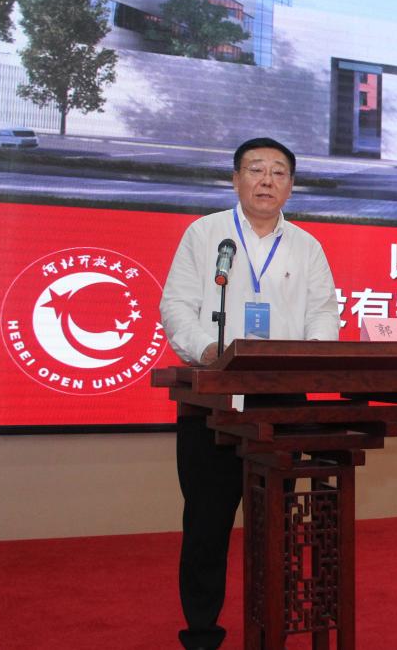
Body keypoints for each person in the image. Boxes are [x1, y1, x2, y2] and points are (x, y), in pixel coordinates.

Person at [160, 137, 340, 650]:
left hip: (280, 401)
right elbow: (176, 306)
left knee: (275, 524)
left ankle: (271, 627)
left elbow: (323, 313)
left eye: (279, 172)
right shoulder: (206, 234)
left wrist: (310, 358)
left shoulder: (307, 246)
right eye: (256, 169)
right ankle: (201, 633)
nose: (267, 180)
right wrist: (209, 351)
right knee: (207, 524)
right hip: (213, 398)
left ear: (291, 186)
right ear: (236, 179)